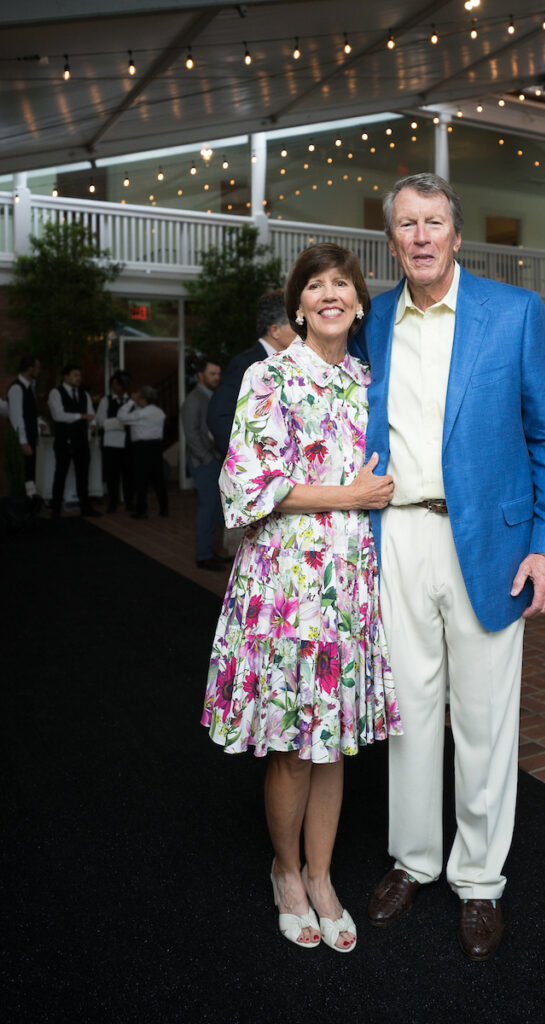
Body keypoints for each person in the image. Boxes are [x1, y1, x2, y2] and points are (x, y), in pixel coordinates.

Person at [355, 172, 545, 962]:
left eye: (435, 222)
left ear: (456, 235)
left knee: (483, 722)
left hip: (491, 543)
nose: (421, 236)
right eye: (407, 224)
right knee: (408, 712)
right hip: (396, 538)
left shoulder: (513, 314)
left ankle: (479, 880)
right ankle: (412, 859)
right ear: (392, 241)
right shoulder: (372, 321)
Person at [201, 243, 402, 953]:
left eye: (341, 283)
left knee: (334, 745)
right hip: (285, 585)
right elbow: (247, 486)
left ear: (358, 302)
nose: (328, 294)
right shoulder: (268, 375)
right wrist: (348, 495)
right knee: (292, 746)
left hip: (348, 583)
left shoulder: (368, 382)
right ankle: (286, 872)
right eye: (314, 285)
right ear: (297, 304)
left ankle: (322, 875)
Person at [207, 290, 295, 455]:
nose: (302, 332)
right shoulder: (246, 364)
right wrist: (247, 460)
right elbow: (219, 416)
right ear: (275, 330)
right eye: (295, 324)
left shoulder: (290, 364)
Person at [181, 357, 226, 571]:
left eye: (218, 374)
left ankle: (212, 551)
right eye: (212, 374)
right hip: (204, 462)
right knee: (207, 509)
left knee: (216, 509)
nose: (216, 378)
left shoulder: (212, 395)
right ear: (200, 375)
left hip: (215, 460)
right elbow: (191, 435)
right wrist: (209, 460)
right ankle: (203, 555)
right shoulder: (193, 399)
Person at [48, 363, 101, 517]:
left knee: (83, 474)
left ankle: (85, 507)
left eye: (79, 375)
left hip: (81, 440)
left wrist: (92, 424)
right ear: (66, 377)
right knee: (61, 473)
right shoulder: (55, 393)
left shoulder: (84, 394)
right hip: (64, 440)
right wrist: (81, 416)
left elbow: (91, 413)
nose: (79, 378)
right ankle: (56, 508)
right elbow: (59, 415)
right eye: (75, 375)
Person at [117, 386, 168, 519]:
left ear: (143, 399)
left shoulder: (140, 413)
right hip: (156, 446)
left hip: (142, 448)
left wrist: (130, 402)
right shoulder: (159, 412)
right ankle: (164, 509)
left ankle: (141, 510)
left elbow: (121, 416)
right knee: (158, 479)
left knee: (141, 479)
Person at [95, 371, 134, 512]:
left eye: (117, 384)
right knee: (112, 474)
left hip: (128, 442)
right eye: (113, 385)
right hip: (111, 443)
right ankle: (113, 502)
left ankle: (130, 501)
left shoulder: (131, 400)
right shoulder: (106, 400)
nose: (114, 387)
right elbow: (100, 420)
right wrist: (119, 423)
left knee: (129, 473)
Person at [7, 354, 41, 498]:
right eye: (37, 368)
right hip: (22, 440)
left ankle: (31, 501)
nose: (39, 371)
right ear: (30, 368)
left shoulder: (29, 388)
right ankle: (24, 504)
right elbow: (16, 417)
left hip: (30, 437)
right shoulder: (17, 388)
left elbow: (29, 413)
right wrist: (23, 441)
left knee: (30, 471)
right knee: (24, 472)